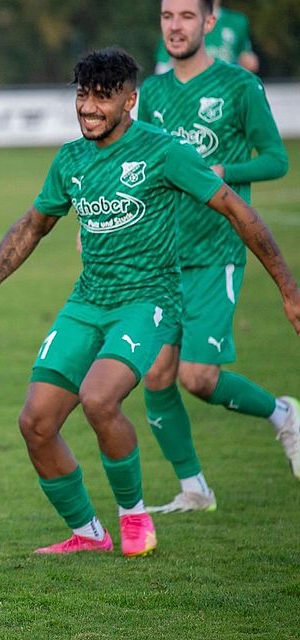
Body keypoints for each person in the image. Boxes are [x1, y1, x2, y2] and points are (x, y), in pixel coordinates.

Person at [0, 48, 300, 557]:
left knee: (99, 397)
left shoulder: (163, 151)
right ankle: (88, 533)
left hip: (149, 300)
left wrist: (288, 290)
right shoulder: (70, 158)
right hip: (88, 301)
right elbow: (31, 227)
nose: (88, 107)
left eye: (102, 98)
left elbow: (237, 211)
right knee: (35, 423)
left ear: (130, 100)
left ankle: (134, 519)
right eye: (82, 95)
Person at [138, 0, 296, 514]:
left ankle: (283, 414)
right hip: (163, 255)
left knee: (198, 377)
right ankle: (194, 489)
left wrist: (219, 173)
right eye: (167, 16)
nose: (175, 26)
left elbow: (276, 159)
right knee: (157, 375)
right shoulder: (155, 93)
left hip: (217, 250)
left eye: (187, 16)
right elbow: (144, 166)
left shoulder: (238, 86)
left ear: (210, 23)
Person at [154, 0, 259, 74]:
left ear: (210, 23)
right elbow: (163, 66)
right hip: (191, 89)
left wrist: (248, 62)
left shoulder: (237, 21)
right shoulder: (176, 25)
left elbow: (246, 58)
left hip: (226, 90)